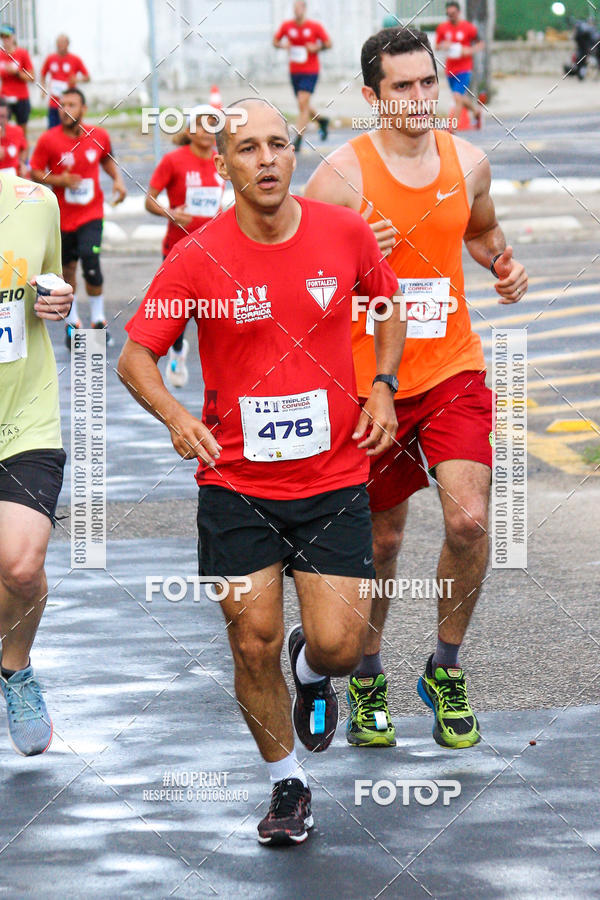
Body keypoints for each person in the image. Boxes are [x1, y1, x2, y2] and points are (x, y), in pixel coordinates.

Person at [119, 98, 404, 845]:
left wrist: (383, 385)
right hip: (236, 483)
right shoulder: (196, 254)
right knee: (252, 642)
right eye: (248, 148)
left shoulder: (343, 232)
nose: (267, 158)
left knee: (341, 645)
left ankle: (312, 671)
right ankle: (288, 784)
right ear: (223, 165)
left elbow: (388, 305)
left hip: (333, 477)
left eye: (279, 144)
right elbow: (136, 355)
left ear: (293, 154)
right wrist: (176, 417)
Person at [306, 27, 528, 750]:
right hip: (370, 383)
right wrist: (344, 252)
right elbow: (297, 281)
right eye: (402, 86)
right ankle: (368, 676)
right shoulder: (340, 177)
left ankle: (446, 668)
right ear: (373, 97)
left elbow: (482, 232)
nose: (420, 97)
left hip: (452, 369)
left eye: (428, 82)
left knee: (469, 520)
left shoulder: (469, 162)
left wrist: (503, 265)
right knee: (384, 537)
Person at [0, 169, 74, 756]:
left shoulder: (37, 201)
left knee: (22, 568)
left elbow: (53, 283)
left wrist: (59, 301)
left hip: (26, 415)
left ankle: (15, 668)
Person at [30, 88, 127, 348]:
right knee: (68, 270)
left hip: (91, 214)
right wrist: (60, 180)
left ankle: (98, 320)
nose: (65, 110)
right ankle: (73, 324)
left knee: (91, 262)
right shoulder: (49, 140)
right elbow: (35, 172)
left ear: (83, 109)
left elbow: (106, 159)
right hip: (62, 219)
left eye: (72, 105)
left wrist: (118, 180)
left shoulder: (99, 136)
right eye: (62, 105)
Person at [145, 105, 225, 388]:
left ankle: (220, 370)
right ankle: (177, 350)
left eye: (213, 124)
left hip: (213, 249)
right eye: (201, 124)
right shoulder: (173, 160)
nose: (207, 131)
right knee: (177, 310)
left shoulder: (222, 161)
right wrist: (170, 213)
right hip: (178, 247)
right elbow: (149, 200)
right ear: (189, 130)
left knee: (214, 312)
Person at [273, 0, 331, 152]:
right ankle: (322, 121)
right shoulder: (287, 26)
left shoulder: (314, 26)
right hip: (294, 71)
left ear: (304, 9)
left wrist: (317, 47)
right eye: (294, 8)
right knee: (303, 104)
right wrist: (282, 45)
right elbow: (275, 41)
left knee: (302, 101)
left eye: (299, 8)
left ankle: (298, 138)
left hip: (311, 70)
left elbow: (328, 43)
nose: (296, 11)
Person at [435, 1, 484, 127]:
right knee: (460, 97)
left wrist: (469, 50)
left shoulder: (468, 27)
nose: (451, 16)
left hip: (464, 68)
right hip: (450, 69)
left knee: (457, 97)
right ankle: (476, 111)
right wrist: (443, 45)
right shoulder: (442, 28)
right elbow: (437, 46)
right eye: (448, 14)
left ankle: (452, 127)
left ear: (459, 12)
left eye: (453, 13)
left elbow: (480, 43)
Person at [41, 34, 89, 130]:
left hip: (69, 101)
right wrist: (43, 90)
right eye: (58, 43)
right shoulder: (50, 58)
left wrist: (77, 79)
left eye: (62, 42)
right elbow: (43, 74)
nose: (60, 45)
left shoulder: (75, 59)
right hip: (55, 101)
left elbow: (87, 77)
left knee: (70, 128)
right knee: (53, 129)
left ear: (68, 44)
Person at [0, 25, 34, 140]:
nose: (5, 39)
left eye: (7, 36)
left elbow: (31, 77)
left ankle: (22, 150)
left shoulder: (22, 53)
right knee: (3, 129)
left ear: (13, 37)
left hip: (21, 97)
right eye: (2, 36)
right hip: (5, 97)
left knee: (22, 130)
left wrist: (16, 73)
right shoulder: (1, 54)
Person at [0, 97, 27, 176]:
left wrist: (22, 163)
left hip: (13, 177)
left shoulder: (17, 131)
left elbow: (24, 148)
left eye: (3, 116)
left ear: (8, 116)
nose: (0, 120)